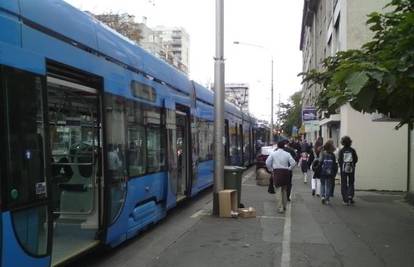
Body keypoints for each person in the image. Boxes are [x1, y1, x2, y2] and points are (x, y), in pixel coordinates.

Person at [266, 141, 296, 213]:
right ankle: (285, 205)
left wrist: (271, 170)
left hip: (277, 172)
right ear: (284, 146)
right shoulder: (287, 154)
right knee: (284, 190)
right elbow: (293, 163)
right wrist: (289, 168)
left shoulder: (273, 154)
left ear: (278, 146)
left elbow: (267, 162)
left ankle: (280, 208)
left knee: (278, 190)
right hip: (285, 172)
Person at [338, 136, 358, 205]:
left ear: (342, 143)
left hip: (343, 169)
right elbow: (356, 159)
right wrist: (353, 164)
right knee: (351, 182)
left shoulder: (341, 151)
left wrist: (341, 166)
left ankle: (345, 199)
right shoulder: (352, 150)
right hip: (351, 168)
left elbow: (339, 160)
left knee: (344, 183)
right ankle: (350, 196)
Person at [319, 140, 338, 205]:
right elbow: (335, 165)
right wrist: (335, 172)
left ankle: (323, 197)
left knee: (322, 184)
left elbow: (320, 162)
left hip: (323, 172)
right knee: (328, 186)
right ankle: (327, 199)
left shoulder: (323, 153)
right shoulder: (333, 155)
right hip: (330, 172)